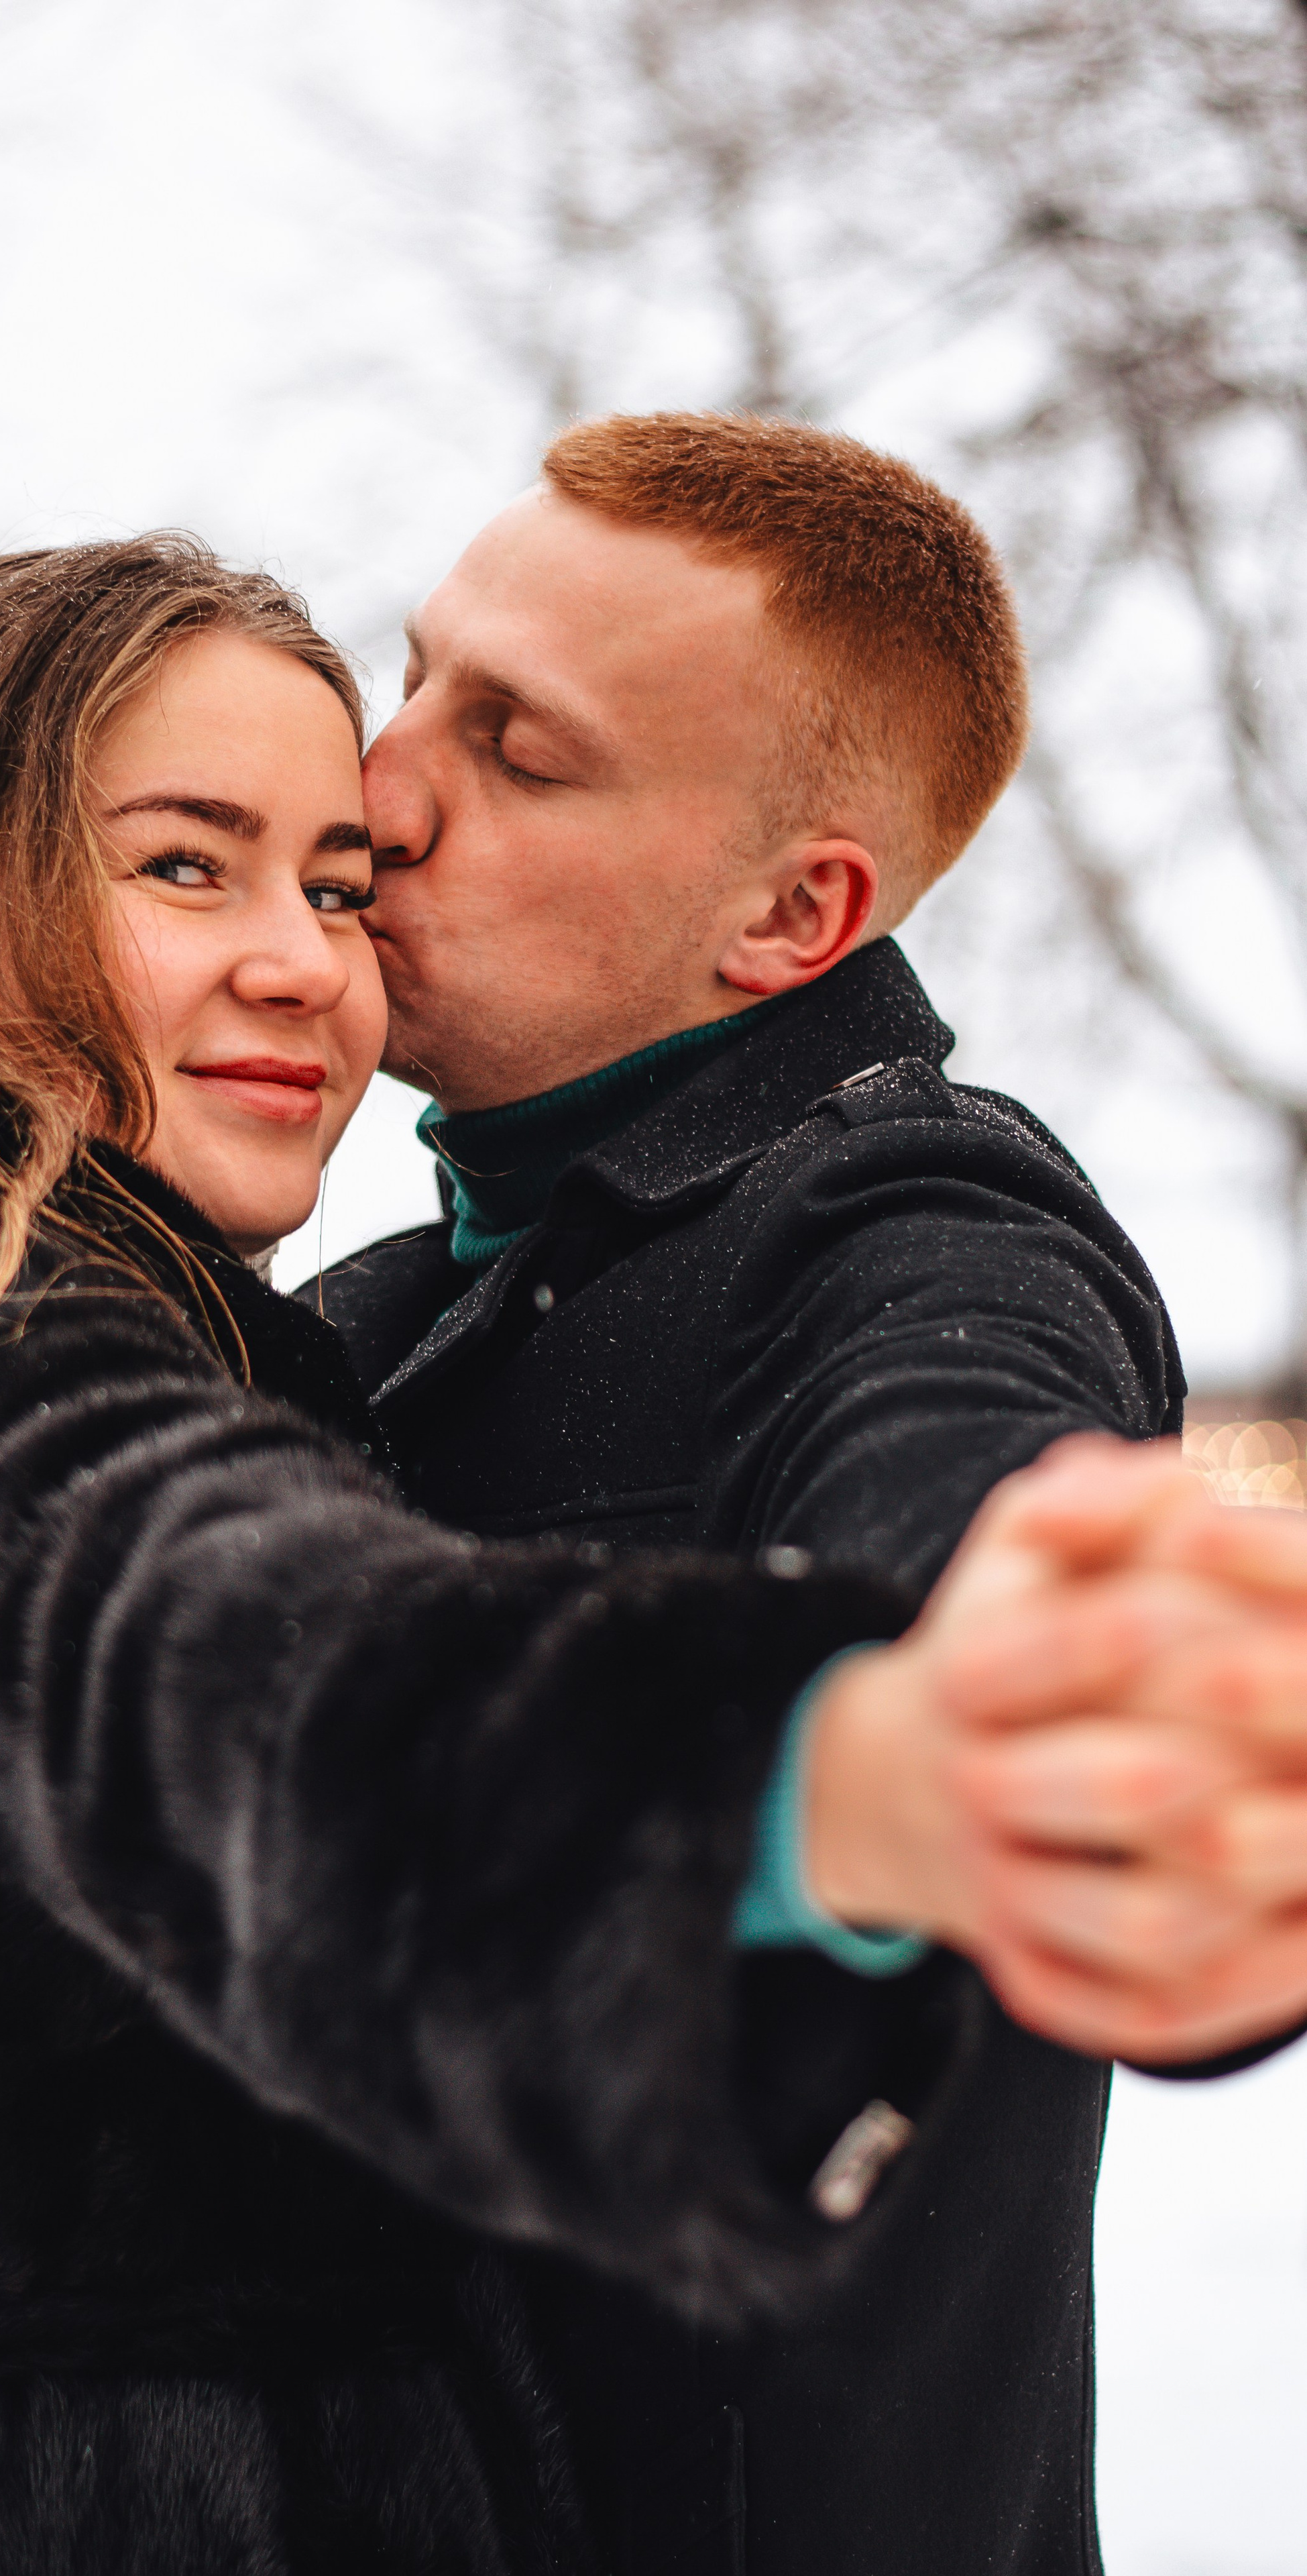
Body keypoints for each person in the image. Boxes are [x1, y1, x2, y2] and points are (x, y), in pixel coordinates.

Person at [0, 532, 1296, 2576]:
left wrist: (1039, 1674)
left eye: (324, 881)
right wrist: (832, 1769)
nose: (331, 929)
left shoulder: (865, 1231)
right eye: (183, 863)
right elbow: (221, 1669)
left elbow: (951, 1442)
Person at [312, 411, 1307, 2574]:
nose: (379, 793)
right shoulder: (371, 1313)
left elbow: (963, 1530)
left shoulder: (907, 1222)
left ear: (793, 912)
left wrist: (1041, 1725)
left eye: (520, 750)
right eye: (414, 682)